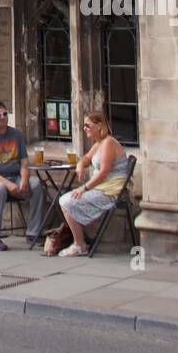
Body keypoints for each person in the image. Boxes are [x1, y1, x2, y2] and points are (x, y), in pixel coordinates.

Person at [0, 100, 46, 250]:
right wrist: (7, 184)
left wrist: (24, 179)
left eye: (5, 114)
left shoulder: (16, 134)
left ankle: (33, 232)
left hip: (14, 176)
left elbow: (24, 162)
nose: (3, 117)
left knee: (37, 185)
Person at [58, 109, 131, 256]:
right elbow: (86, 158)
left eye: (87, 125)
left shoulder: (108, 143)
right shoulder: (100, 143)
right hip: (103, 188)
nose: (84, 129)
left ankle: (79, 244)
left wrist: (84, 188)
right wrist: (80, 166)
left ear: (99, 126)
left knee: (66, 201)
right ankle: (79, 242)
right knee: (65, 200)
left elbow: (104, 171)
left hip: (112, 191)